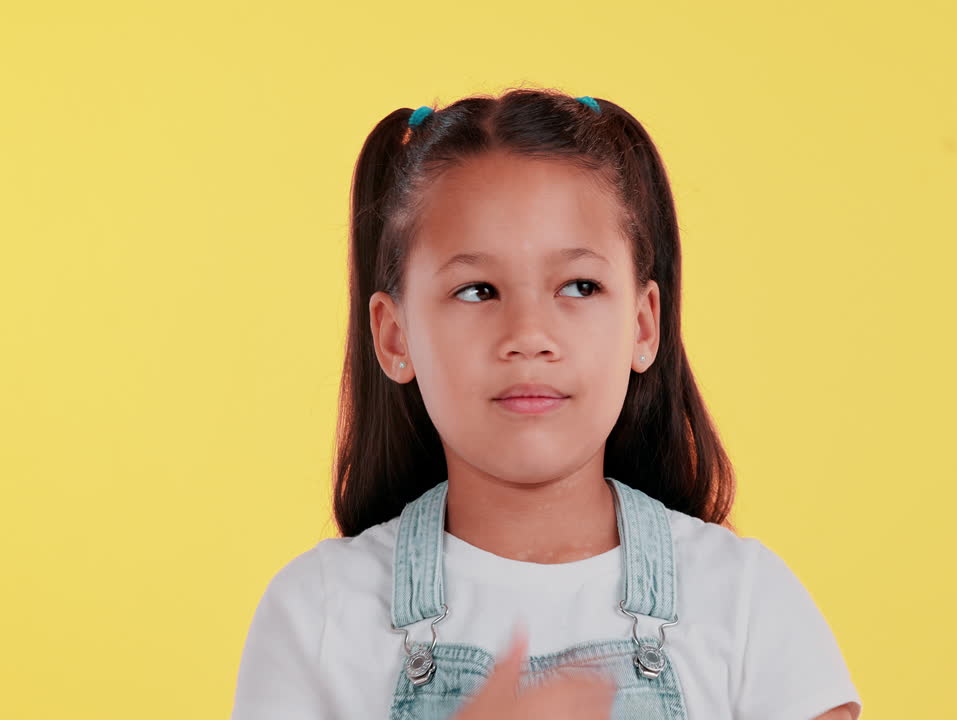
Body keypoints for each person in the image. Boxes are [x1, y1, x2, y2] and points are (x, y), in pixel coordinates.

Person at [231, 88, 863, 720]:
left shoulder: (747, 602)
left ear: (643, 326)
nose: (529, 335)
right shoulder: (316, 613)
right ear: (395, 338)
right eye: (477, 290)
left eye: (579, 286)